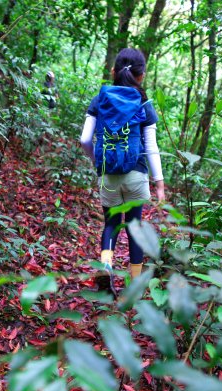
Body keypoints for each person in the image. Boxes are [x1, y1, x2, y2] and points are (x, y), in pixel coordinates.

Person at [80, 48, 165, 282]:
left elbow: (85, 139)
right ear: (142, 75)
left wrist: (98, 162)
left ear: (113, 71)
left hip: (109, 175)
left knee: (111, 223)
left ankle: (106, 266)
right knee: (135, 226)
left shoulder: (100, 100)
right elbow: (151, 146)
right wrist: (159, 183)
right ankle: (135, 282)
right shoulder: (143, 103)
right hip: (136, 174)